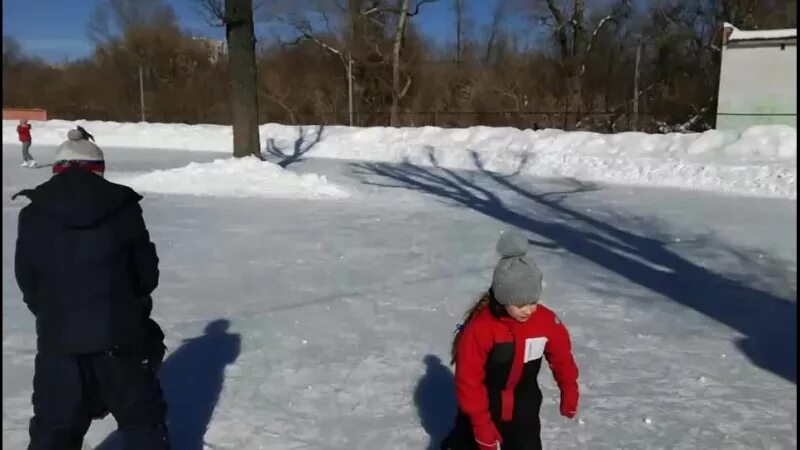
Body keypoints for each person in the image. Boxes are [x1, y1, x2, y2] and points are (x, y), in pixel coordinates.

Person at [14, 128, 170, 450]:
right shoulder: (124, 208)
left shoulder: (33, 214)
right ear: (98, 169)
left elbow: (28, 281)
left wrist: (56, 313)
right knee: (142, 424)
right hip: (121, 339)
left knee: (53, 432)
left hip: (59, 343)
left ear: (58, 169)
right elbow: (146, 276)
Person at [442, 231, 580, 450]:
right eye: (520, 304)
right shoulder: (482, 328)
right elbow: (468, 380)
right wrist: (481, 425)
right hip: (485, 404)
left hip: (524, 406)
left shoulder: (545, 322)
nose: (528, 310)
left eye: (533, 301)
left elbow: (562, 357)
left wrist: (569, 389)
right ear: (503, 299)